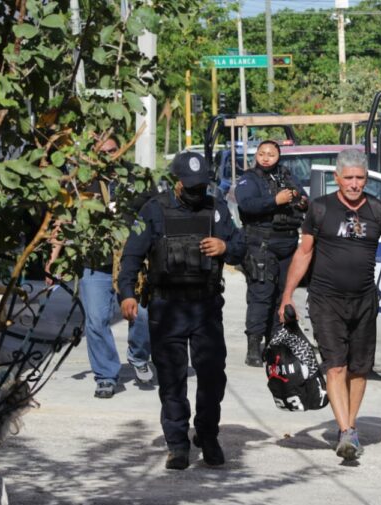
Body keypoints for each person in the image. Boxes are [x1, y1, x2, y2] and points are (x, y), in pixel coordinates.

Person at [279, 148, 381, 461]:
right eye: (348, 178)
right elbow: (304, 254)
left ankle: (349, 426)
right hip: (325, 300)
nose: (355, 183)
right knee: (336, 366)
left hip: (363, 301)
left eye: (360, 178)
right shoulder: (320, 210)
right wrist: (287, 294)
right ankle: (346, 430)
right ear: (337, 178)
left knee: (359, 370)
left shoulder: (379, 210)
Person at [117, 151, 245, 470]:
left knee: (213, 376)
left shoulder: (215, 208)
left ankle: (207, 435)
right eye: (190, 186)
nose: (195, 192)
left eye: (200, 186)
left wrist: (224, 248)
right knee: (172, 379)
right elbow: (132, 255)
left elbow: (241, 245)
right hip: (166, 307)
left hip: (206, 307)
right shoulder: (154, 210)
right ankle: (177, 444)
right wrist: (127, 294)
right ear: (176, 183)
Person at [45, 136, 153, 399]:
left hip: (131, 263)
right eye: (102, 152)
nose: (108, 155)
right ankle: (105, 375)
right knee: (95, 321)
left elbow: (156, 215)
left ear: (122, 149)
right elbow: (63, 220)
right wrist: (53, 259)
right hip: (95, 263)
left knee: (143, 317)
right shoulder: (81, 181)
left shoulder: (138, 179)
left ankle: (138, 356)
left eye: (113, 150)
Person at [235, 140, 307, 367]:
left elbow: (304, 200)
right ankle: (253, 348)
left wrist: (301, 201)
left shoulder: (286, 176)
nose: (266, 158)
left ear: (279, 156)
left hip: (287, 245)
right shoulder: (249, 179)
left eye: (271, 154)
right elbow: (247, 205)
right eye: (262, 153)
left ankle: (274, 344)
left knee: (282, 296)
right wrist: (275, 200)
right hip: (261, 245)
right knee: (261, 295)